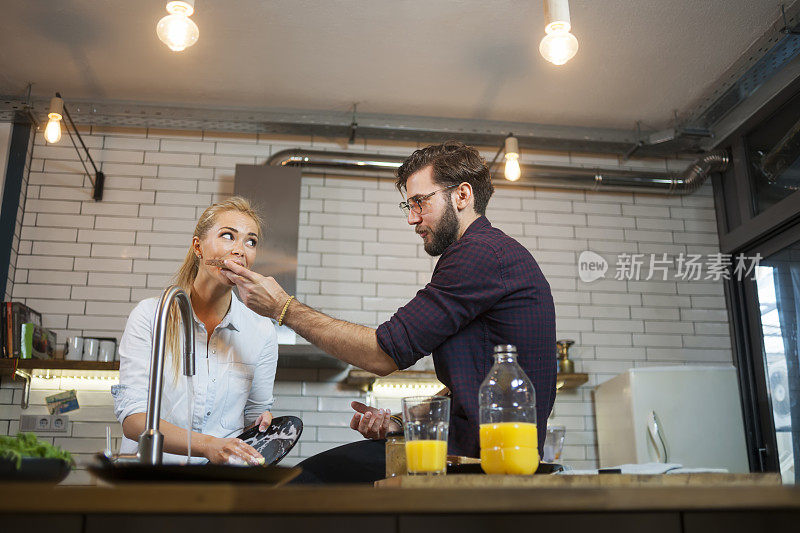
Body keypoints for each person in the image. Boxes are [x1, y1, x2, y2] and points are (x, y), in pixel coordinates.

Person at [222, 141, 557, 482]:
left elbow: (384, 354)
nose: (412, 218)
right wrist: (401, 423)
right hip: (482, 455)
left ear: (462, 196)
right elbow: (474, 385)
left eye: (420, 202)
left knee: (302, 482)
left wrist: (283, 308)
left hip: (476, 462)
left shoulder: (480, 254)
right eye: (408, 205)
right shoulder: (491, 253)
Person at [112, 197, 279, 465]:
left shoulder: (261, 331)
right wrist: (208, 445)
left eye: (251, 241)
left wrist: (261, 422)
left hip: (216, 483)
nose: (240, 250)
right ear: (198, 246)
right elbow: (134, 419)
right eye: (228, 236)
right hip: (150, 477)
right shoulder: (150, 315)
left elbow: (254, 417)